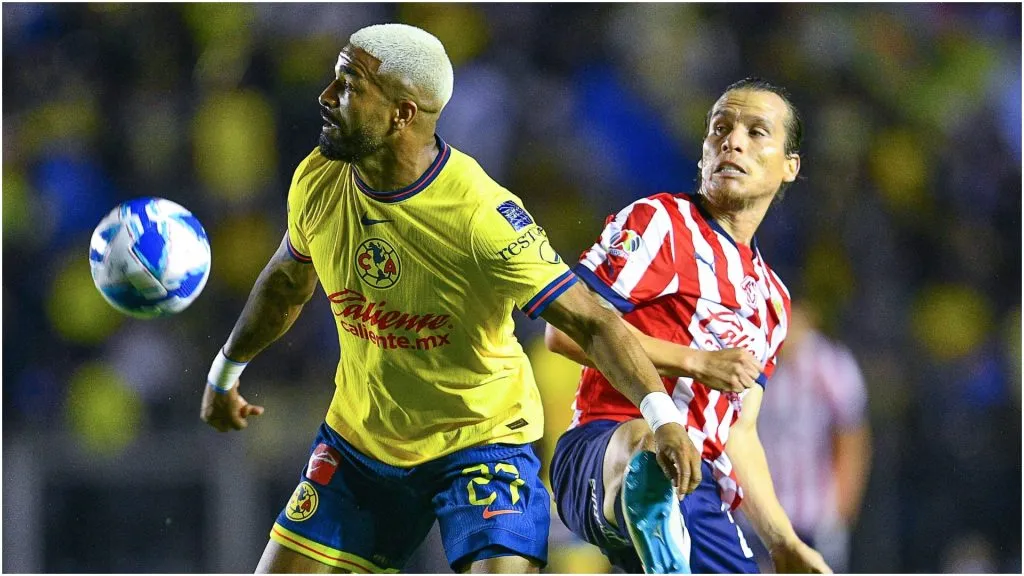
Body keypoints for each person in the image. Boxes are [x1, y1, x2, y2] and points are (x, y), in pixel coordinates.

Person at [199, 23, 701, 574]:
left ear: (402, 113)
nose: (325, 96)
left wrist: (662, 419)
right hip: (361, 445)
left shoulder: (479, 215)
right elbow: (285, 285)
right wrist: (225, 372)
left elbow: (592, 322)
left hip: (479, 445)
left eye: (349, 84)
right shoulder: (319, 179)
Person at [546, 78, 833, 574]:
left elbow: (740, 431)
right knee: (649, 447)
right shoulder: (659, 223)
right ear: (703, 152)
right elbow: (566, 330)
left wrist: (782, 541)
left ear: (790, 166)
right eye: (719, 128)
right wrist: (695, 362)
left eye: (756, 131)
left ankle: (664, 529)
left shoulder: (773, 300)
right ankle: (650, 501)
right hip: (604, 448)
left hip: (701, 493)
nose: (733, 141)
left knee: (680, 482)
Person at [750, 301, 872, 573]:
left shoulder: (830, 365)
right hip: (758, 511)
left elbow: (852, 435)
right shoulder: (754, 356)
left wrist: (842, 509)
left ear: (808, 318)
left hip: (813, 513)